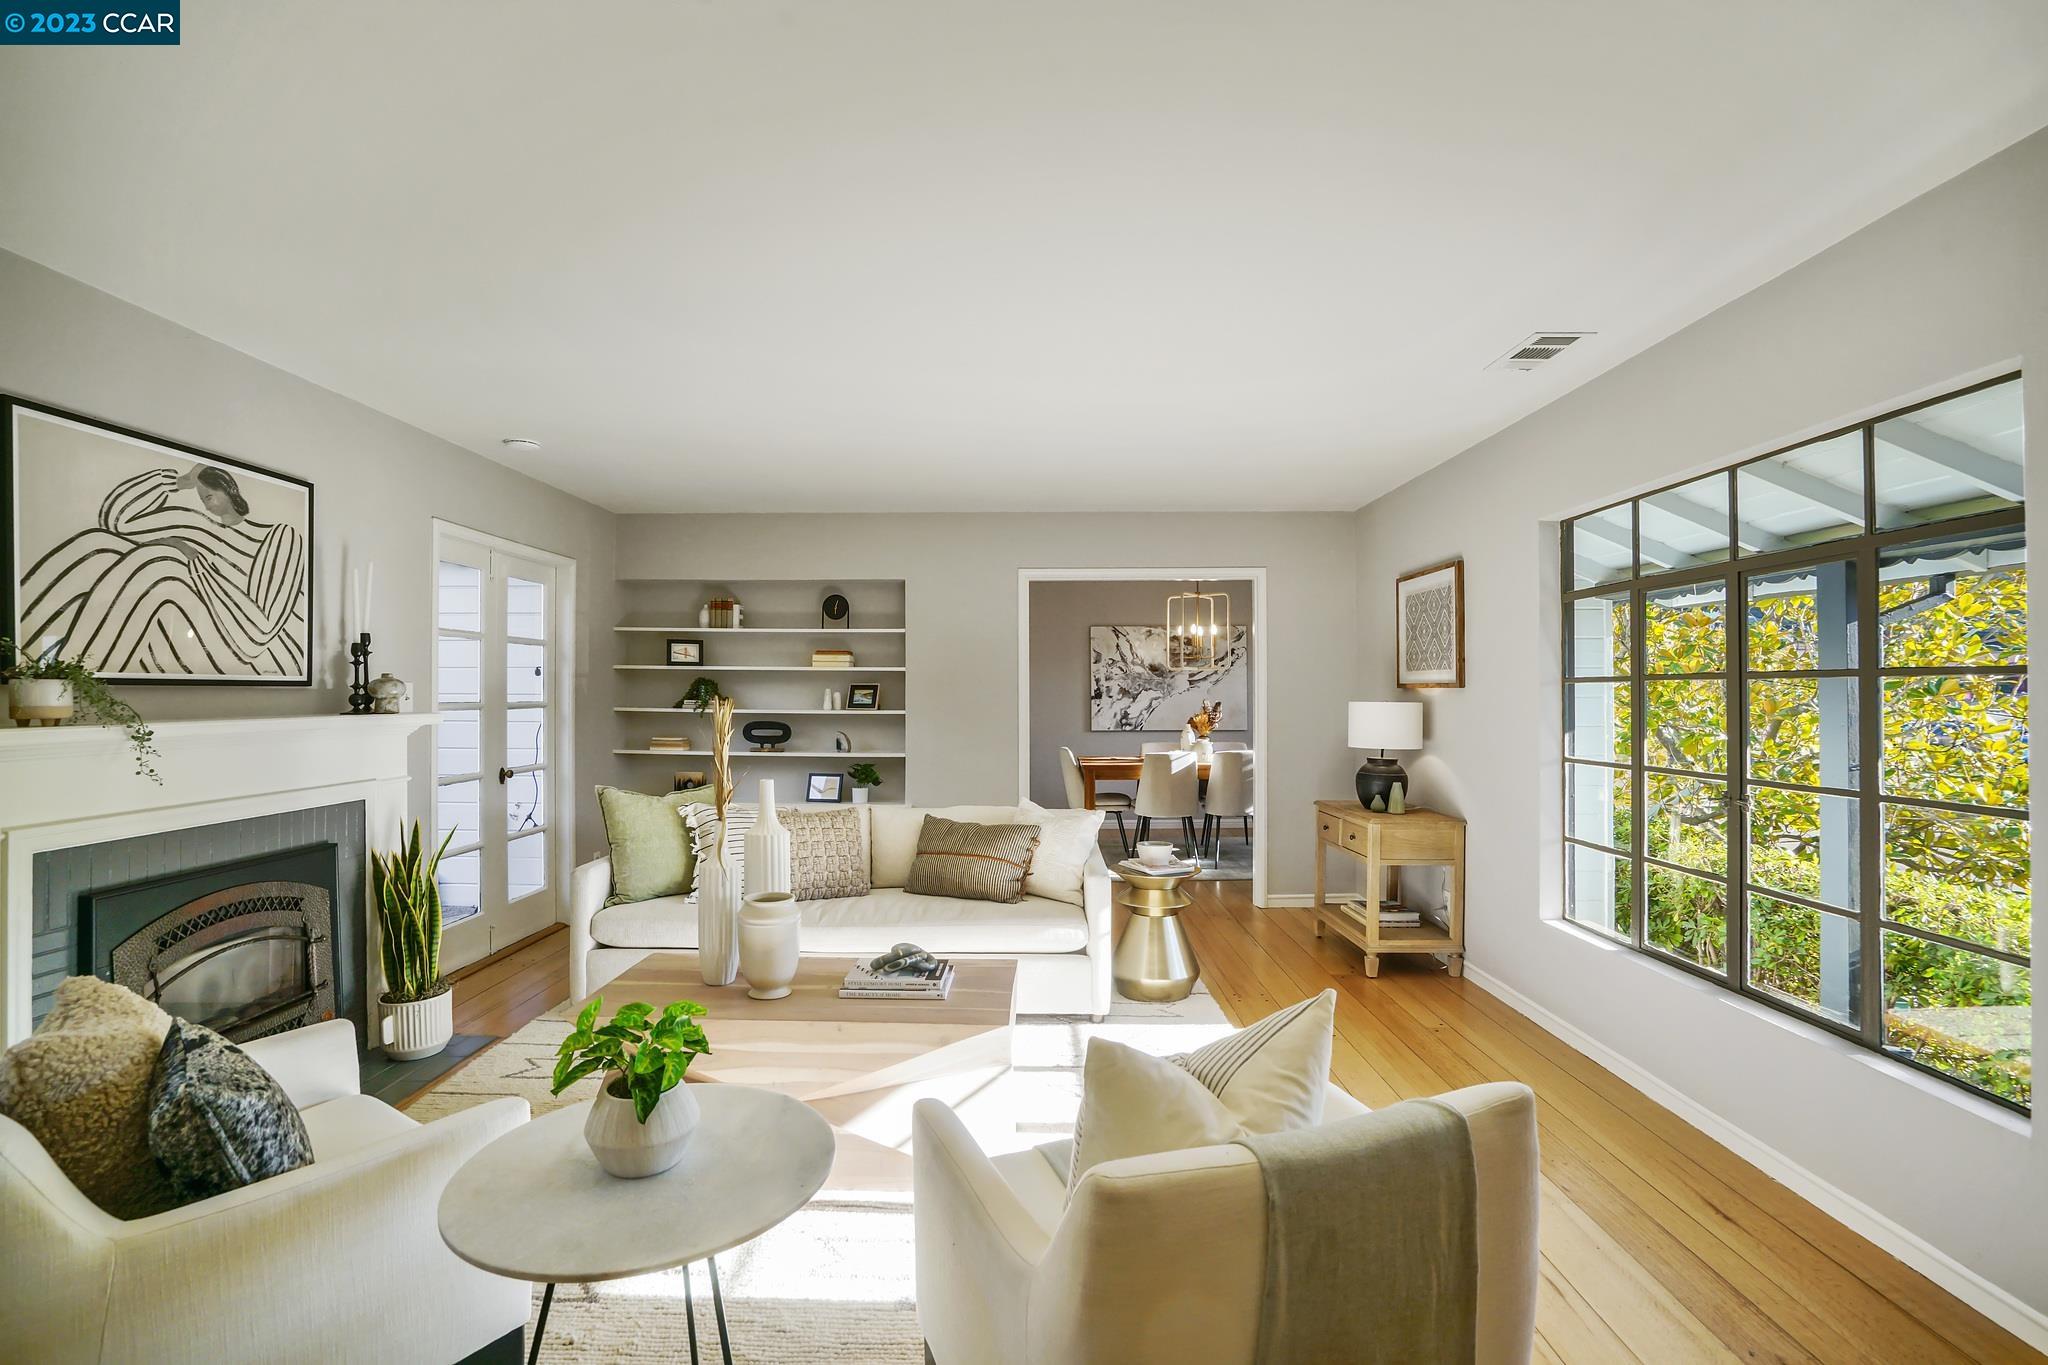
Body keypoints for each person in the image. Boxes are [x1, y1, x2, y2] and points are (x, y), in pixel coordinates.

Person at [19, 463, 307, 677]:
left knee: (161, 563)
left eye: (208, 497)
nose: (205, 506)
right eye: (201, 499)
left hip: (254, 656)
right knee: (99, 544)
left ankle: (68, 682)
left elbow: (257, 634)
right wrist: (180, 482)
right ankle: (26, 669)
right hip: (186, 628)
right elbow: (115, 520)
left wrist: (191, 558)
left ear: (227, 490)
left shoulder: (280, 537)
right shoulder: (195, 524)